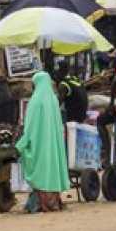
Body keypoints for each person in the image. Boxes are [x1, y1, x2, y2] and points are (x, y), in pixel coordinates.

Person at [15, 71, 70, 212]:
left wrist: (21, 144)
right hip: (53, 146)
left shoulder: (35, 101)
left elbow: (30, 128)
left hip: (39, 146)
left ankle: (41, 203)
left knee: (39, 170)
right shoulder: (53, 100)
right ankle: (53, 201)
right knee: (51, 169)